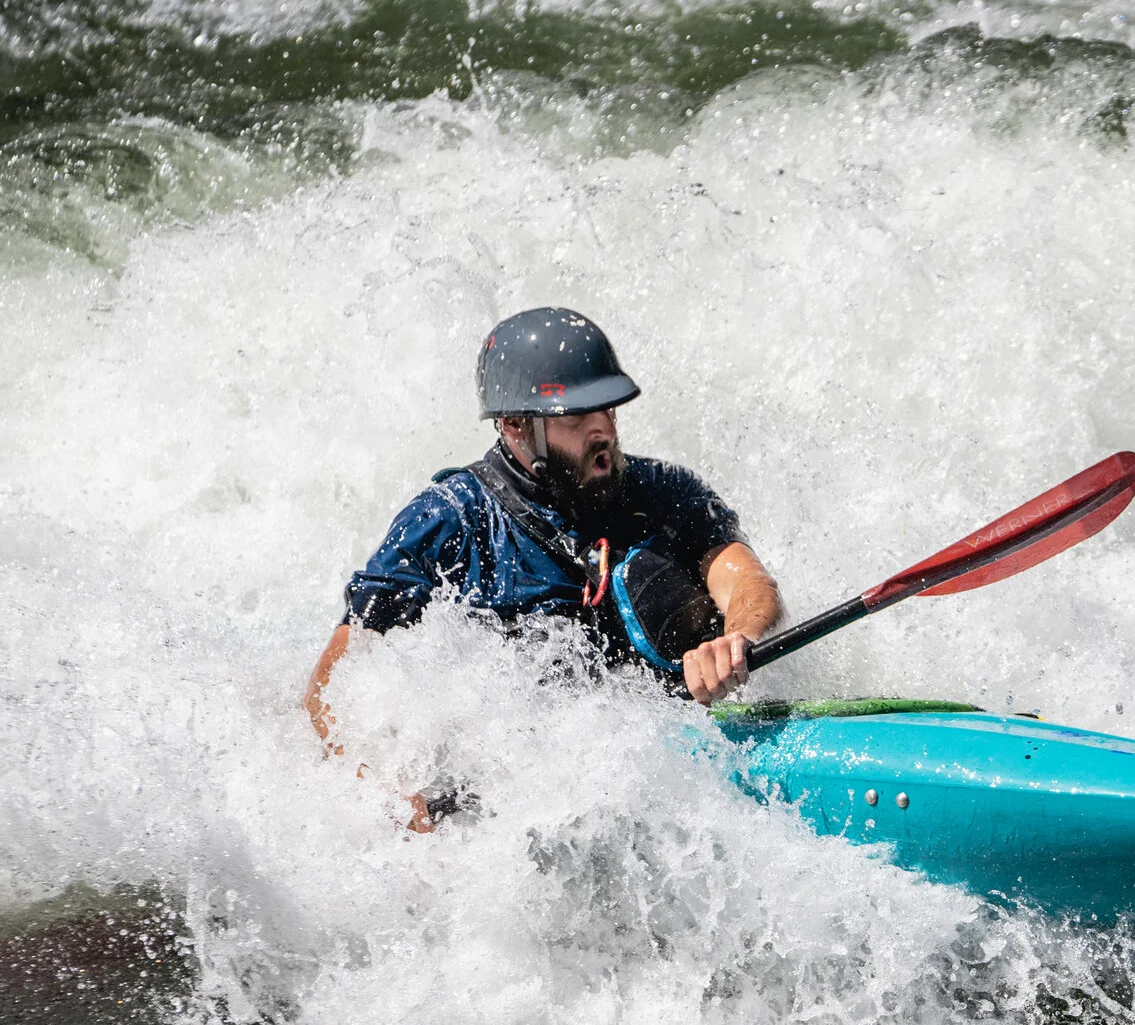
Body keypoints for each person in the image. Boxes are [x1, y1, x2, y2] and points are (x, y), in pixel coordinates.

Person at [304, 307, 781, 827]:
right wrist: (380, 795)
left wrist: (735, 639)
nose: (603, 431)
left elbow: (749, 585)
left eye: (609, 410)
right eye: (576, 418)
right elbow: (333, 686)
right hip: (537, 801)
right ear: (514, 427)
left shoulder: (667, 492)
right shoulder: (447, 522)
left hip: (677, 765)